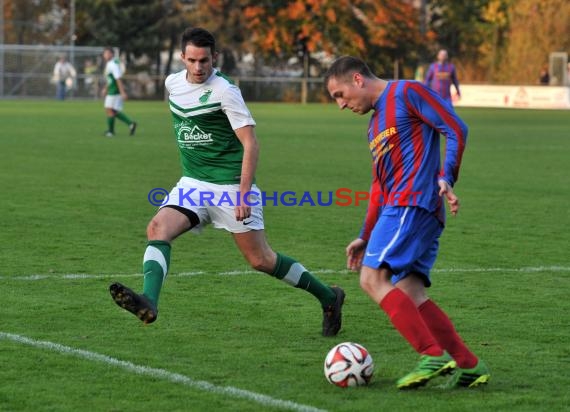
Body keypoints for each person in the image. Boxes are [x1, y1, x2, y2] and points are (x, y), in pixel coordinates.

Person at [109, 28, 345, 337]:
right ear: (182, 58)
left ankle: (329, 297)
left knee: (260, 259)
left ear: (214, 58)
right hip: (193, 183)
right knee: (157, 229)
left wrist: (244, 195)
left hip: (231, 186)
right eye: (192, 60)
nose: (198, 67)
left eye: (204, 60)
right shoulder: (173, 84)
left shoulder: (225, 90)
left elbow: (251, 143)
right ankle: (149, 301)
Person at [324, 56, 490, 389]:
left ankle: (432, 354)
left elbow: (456, 128)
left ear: (357, 80)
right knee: (409, 290)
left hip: (411, 205)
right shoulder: (373, 126)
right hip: (402, 208)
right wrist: (364, 236)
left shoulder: (407, 92)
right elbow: (377, 186)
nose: (341, 105)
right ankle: (469, 364)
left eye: (340, 95)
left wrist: (447, 176)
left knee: (371, 279)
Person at [101, 47, 137, 137]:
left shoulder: (113, 64)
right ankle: (131, 124)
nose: (105, 55)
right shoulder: (110, 63)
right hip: (112, 89)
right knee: (113, 110)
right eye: (104, 53)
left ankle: (111, 131)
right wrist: (105, 88)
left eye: (107, 53)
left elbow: (118, 79)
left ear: (111, 54)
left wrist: (122, 92)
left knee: (109, 110)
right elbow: (110, 79)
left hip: (114, 91)